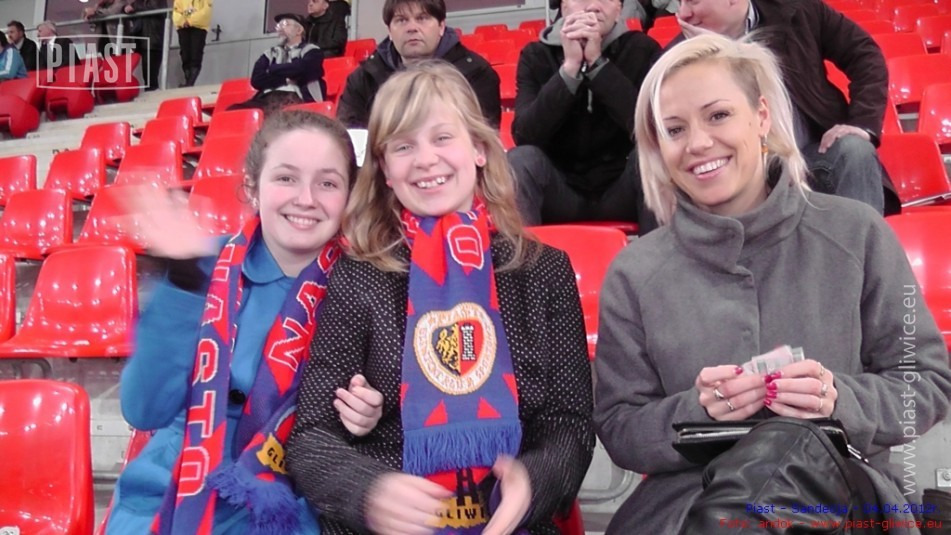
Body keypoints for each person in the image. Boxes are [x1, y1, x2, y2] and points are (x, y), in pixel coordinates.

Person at [593, 34, 951, 534]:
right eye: (674, 129)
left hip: (840, 495)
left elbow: (926, 384)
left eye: (718, 115)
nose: (697, 143)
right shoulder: (634, 273)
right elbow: (619, 428)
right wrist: (697, 409)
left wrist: (837, 399)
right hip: (685, 504)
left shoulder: (858, 232)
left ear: (761, 116)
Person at [287, 60, 595, 534]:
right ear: (385, 170)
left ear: (479, 149)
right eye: (403, 146)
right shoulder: (357, 274)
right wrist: (369, 493)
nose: (425, 159)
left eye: (442, 137)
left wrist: (531, 485)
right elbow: (311, 436)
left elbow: (569, 421)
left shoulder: (543, 270)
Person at [104, 111, 383, 534]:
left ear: (349, 195)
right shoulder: (201, 267)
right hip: (175, 489)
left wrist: (370, 416)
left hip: (294, 499)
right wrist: (183, 282)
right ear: (253, 187)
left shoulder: (366, 287)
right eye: (286, 178)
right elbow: (144, 409)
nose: (306, 199)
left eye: (327, 183)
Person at [673, 0, 900, 215]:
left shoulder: (797, 10)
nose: (683, 14)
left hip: (813, 157)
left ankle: (866, 241)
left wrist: (862, 123)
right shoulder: (678, 57)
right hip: (744, 174)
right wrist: (712, 56)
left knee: (855, 150)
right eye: (679, 2)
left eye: (693, 1)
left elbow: (865, 55)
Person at [508, 0, 659, 230]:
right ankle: (523, 254)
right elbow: (525, 134)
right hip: (558, 189)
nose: (593, 6)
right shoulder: (535, 55)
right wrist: (570, 69)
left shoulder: (642, 49)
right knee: (520, 160)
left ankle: (660, 253)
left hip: (622, 185)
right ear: (563, 7)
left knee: (653, 155)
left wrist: (598, 65)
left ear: (619, 10)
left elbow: (649, 129)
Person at [336, 0, 501, 129]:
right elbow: (351, 138)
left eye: (422, 18)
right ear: (389, 32)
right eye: (401, 20)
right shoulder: (364, 78)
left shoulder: (475, 73)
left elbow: (482, 138)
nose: (412, 28)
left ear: (441, 27)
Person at [230, 13, 325, 114]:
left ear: (299, 30)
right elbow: (257, 80)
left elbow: (305, 69)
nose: (280, 29)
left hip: (296, 96)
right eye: (278, 26)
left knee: (274, 113)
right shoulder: (270, 53)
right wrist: (286, 79)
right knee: (233, 111)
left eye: (285, 24)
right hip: (266, 97)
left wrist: (272, 69)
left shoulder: (311, 50)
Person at [125, 0, 168, 91]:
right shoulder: (139, 2)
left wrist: (134, 7)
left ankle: (153, 92)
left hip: (153, 40)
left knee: (151, 74)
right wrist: (127, 8)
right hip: (143, 40)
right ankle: (151, 91)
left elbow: (154, 6)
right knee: (147, 74)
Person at [173, 0, 212, 87]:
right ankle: (188, 82)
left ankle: (190, 83)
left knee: (195, 55)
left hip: (199, 28)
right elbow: (176, 12)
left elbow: (206, 12)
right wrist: (182, 22)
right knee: (185, 55)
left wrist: (190, 21)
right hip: (183, 28)